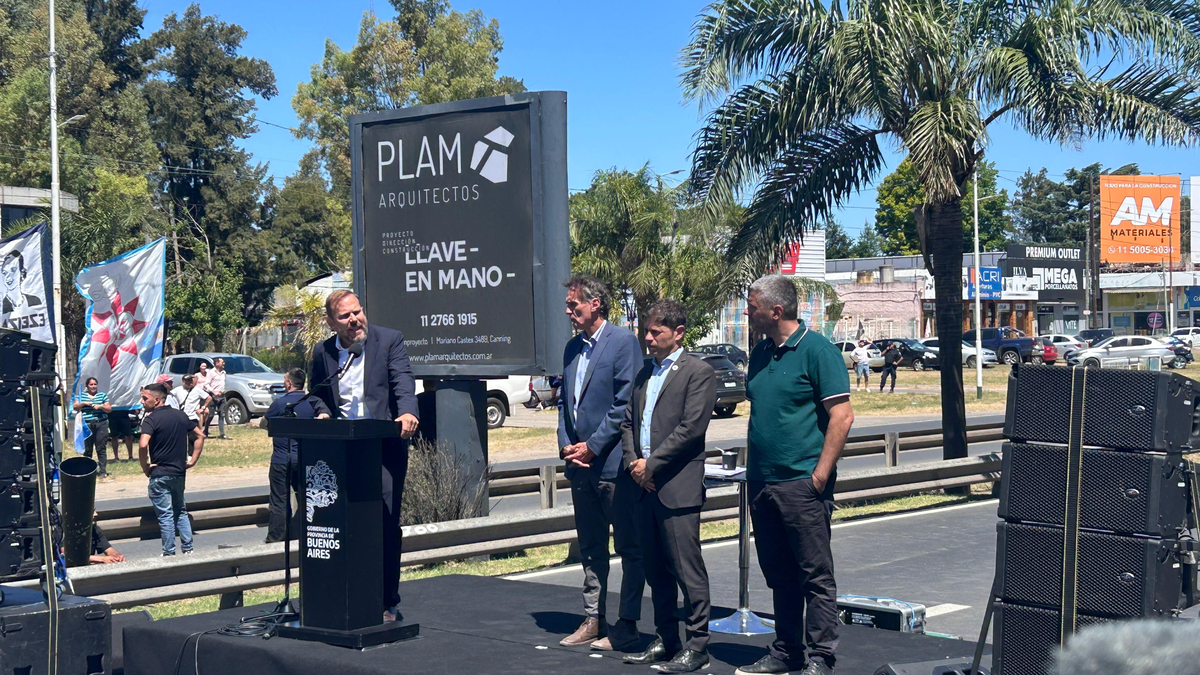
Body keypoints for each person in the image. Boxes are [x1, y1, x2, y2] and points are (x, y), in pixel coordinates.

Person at [735, 275, 854, 675]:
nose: (746, 312)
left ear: (776, 310)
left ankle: (821, 657)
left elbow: (842, 415)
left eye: (751, 306)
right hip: (762, 483)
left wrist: (819, 477)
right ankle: (787, 651)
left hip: (802, 483)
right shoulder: (760, 353)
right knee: (779, 574)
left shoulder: (818, 351)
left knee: (814, 575)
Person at [309, 290, 418, 623]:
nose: (354, 320)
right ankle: (347, 593)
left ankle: (387, 600)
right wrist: (323, 414)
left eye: (357, 312)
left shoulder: (388, 341)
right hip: (342, 450)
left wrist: (408, 413)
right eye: (345, 316)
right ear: (331, 322)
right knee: (341, 522)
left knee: (384, 522)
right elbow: (317, 393)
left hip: (383, 446)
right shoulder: (323, 352)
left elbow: (402, 380)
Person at [620, 300, 716, 673]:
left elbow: (691, 429)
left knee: (686, 569)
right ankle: (666, 638)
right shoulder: (645, 373)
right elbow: (628, 422)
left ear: (678, 333)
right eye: (646, 330)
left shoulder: (698, 372)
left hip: (676, 486)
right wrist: (633, 463)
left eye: (655, 332)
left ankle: (698, 645)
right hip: (643, 486)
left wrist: (652, 464)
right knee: (656, 570)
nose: (647, 338)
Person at [556, 275, 645, 650]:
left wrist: (592, 446)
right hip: (581, 468)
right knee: (591, 548)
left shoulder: (623, 342)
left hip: (611, 467)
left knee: (628, 547)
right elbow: (565, 406)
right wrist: (567, 446)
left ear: (595, 304)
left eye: (574, 305)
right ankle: (594, 619)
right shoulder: (571, 348)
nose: (568, 311)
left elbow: (624, 404)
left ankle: (626, 625)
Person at [262, 367, 330, 543]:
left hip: (280, 460)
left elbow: (265, 422)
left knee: (279, 501)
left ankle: (276, 538)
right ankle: (304, 533)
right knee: (306, 499)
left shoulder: (279, 403)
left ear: (289, 383)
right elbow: (325, 414)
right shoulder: (313, 401)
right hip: (304, 460)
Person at [139, 383, 205, 556]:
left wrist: (145, 466)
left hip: (160, 474)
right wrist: (193, 459)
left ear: (157, 399)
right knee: (181, 511)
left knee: (165, 515)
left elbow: (143, 443)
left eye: (145, 398)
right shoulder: (180, 416)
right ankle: (188, 548)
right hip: (178, 473)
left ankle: (169, 552)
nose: (142, 402)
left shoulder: (150, 420)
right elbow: (200, 435)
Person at [73, 377, 112, 479]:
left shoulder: (102, 395)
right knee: (88, 448)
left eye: (95, 384)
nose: (93, 386)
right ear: (87, 386)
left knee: (101, 448)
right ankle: (88, 471)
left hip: (101, 424)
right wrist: (84, 403)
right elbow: (75, 406)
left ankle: (103, 471)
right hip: (87, 425)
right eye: (91, 384)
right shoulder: (81, 396)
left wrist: (101, 406)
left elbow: (109, 409)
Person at [202, 357, 229, 440]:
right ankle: (205, 431)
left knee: (222, 414)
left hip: (222, 395)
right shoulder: (211, 372)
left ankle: (222, 434)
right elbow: (206, 385)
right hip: (213, 396)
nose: (223, 363)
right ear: (217, 363)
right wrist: (213, 392)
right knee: (211, 414)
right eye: (222, 362)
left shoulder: (224, 372)